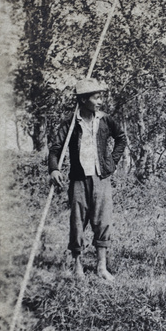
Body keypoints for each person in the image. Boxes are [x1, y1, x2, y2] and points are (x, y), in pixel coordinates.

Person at [48, 78, 126, 282]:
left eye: (101, 96)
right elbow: (55, 149)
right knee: (77, 222)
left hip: (101, 178)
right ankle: (77, 265)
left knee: (103, 221)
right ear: (83, 100)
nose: (100, 101)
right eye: (96, 97)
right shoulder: (70, 123)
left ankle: (101, 266)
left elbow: (121, 138)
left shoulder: (105, 120)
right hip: (78, 180)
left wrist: (112, 162)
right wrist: (54, 169)